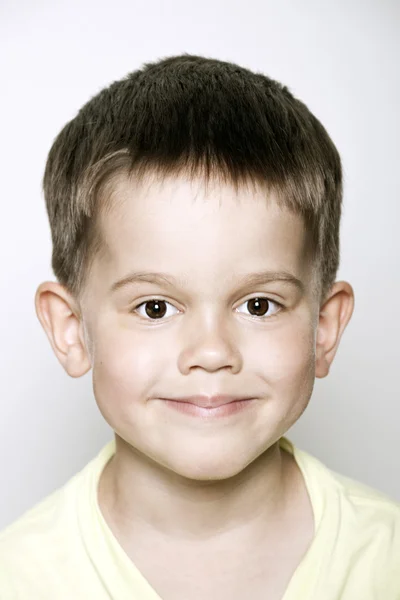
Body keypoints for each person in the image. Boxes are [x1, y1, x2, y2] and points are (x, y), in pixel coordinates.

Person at [0, 53, 399, 600]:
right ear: (70, 329)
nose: (211, 353)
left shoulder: (388, 559)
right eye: (156, 308)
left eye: (258, 305)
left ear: (324, 328)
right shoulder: (17, 578)